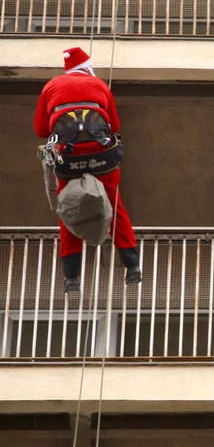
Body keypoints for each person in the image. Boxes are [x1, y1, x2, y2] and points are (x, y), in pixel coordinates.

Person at [34, 47, 140, 293]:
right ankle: (132, 264)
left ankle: (71, 276)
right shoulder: (99, 84)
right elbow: (114, 125)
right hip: (101, 155)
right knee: (114, 204)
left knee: (69, 206)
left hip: (67, 157)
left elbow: (41, 130)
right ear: (87, 67)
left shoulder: (51, 86)